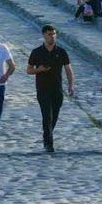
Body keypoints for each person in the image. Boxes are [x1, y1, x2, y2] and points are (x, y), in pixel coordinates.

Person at [26, 24, 76, 154]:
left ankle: (47, 135)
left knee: (54, 116)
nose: (52, 37)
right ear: (43, 35)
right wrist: (39, 70)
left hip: (57, 89)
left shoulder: (61, 51)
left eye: (54, 34)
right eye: (49, 34)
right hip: (42, 89)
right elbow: (29, 70)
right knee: (47, 116)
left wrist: (71, 85)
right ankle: (49, 143)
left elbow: (68, 69)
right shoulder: (36, 52)